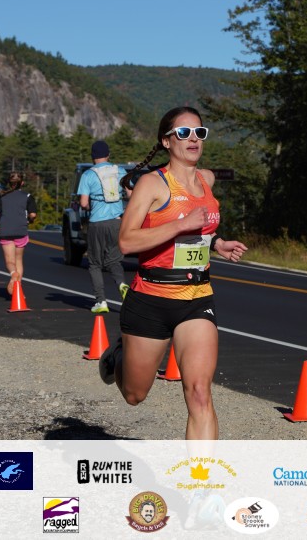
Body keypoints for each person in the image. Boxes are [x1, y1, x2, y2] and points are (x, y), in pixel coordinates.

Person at [98, 107, 247, 440]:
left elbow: (200, 231)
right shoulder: (153, 184)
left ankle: (201, 474)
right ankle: (119, 355)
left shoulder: (206, 180)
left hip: (197, 297)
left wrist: (218, 243)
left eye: (199, 133)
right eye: (183, 133)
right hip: (151, 299)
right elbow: (126, 241)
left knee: (199, 393)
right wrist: (181, 224)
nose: (193, 139)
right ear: (167, 141)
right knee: (134, 394)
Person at [77, 140, 130, 313]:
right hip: (116, 222)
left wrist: (90, 206)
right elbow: (131, 194)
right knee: (114, 260)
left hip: (97, 223)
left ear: (93, 157)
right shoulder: (120, 171)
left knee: (94, 263)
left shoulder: (88, 175)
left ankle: (101, 301)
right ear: (108, 155)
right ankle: (121, 284)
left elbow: (83, 203)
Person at [0, 171, 37, 295]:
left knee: (10, 262)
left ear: (9, 183)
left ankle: (13, 274)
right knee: (18, 261)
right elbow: (33, 214)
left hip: (5, 231)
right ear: (22, 183)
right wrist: (30, 220)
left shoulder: (3, 196)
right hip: (21, 230)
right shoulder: (27, 196)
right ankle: (18, 289)